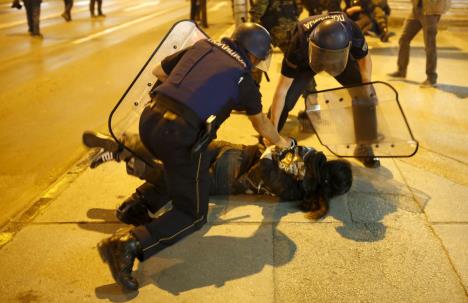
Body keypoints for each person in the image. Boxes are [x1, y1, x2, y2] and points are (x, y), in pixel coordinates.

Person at [97, 22, 294, 291]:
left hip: (149, 121)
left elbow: (159, 71)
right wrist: (282, 142)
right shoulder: (244, 80)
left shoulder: (202, 46)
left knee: (184, 174)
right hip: (181, 135)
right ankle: (127, 244)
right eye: (259, 58)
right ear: (252, 54)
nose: (257, 63)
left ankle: (136, 204)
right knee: (192, 213)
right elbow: (261, 125)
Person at [82, 131, 353, 225]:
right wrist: (271, 151)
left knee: (177, 153)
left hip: (231, 149)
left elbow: (285, 143)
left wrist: (275, 144)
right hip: (231, 175)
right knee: (178, 179)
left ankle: (124, 145)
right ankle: (124, 157)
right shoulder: (302, 189)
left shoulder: (312, 154)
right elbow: (262, 172)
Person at [269, 12, 380, 168]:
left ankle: (364, 146)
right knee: (287, 100)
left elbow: (364, 57)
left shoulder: (351, 29)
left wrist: (366, 84)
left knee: (363, 93)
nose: (326, 66)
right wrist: (272, 133)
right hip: (309, 60)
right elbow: (282, 90)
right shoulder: (298, 43)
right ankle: (268, 139)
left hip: (340, 57)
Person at [387, 0, 450, 88]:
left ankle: (431, 78)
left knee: (429, 45)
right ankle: (401, 70)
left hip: (431, 10)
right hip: (417, 9)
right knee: (404, 39)